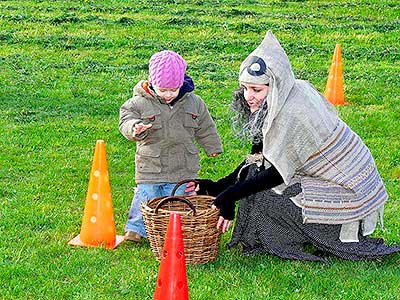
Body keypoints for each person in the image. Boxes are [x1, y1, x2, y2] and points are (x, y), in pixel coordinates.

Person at [194, 31, 400, 261]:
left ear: (275, 84)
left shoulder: (293, 111)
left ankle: (326, 232)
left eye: (256, 90)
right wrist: (219, 187)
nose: (247, 96)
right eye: (244, 88)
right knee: (253, 179)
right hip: (332, 180)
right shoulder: (284, 94)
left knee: (264, 196)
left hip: (349, 191)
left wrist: (231, 195)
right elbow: (259, 157)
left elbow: (276, 174)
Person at [119, 50, 223, 242]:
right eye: (163, 89)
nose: (168, 94)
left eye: (173, 90)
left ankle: (173, 230)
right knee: (146, 197)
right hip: (151, 165)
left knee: (178, 199)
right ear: (152, 83)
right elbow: (126, 120)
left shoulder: (194, 103)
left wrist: (212, 146)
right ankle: (136, 230)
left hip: (182, 166)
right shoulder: (138, 103)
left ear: (182, 83)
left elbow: (205, 126)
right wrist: (134, 128)